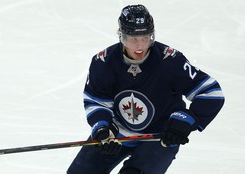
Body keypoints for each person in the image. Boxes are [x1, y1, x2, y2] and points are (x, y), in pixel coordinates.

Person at [67, 4, 225, 174]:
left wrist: (185, 120)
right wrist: (104, 129)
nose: (140, 46)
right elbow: (96, 100)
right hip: (117, 135)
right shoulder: (103, 62)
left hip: (159, 137)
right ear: (121, 36)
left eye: (146, 38)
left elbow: (211, 93)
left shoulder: (170, 61)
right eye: (133, 39)